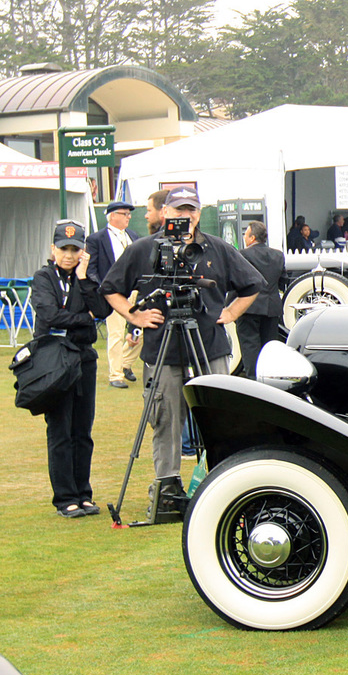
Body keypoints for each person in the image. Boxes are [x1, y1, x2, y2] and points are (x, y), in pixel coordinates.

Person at [101, 187, 266, 517]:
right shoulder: (143, 249)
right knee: (165, 419)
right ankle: (168, 489)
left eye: (190, 210)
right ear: (165, 213)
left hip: (210, 347)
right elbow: (110, 288)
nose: (184, 217)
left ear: (198, 212)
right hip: (163, 347)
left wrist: (230, 313)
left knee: (222, 416)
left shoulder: (217, 248)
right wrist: (134, 315)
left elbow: (253, 283)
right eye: (178, 211)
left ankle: (226, 484)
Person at [31, 219, 112, 518]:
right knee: (60, 430)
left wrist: (83, 279)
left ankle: (83, 493)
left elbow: (103, 311)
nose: (68, 255)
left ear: (83, 251)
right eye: (63, 249)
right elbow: (50, 315)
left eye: (75, 249)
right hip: (54, 362)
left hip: (83, 360)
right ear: (53, 249)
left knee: (82, 430)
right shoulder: (43, 278)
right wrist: (82, 319)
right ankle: (65, 497)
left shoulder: (85, 278)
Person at [85, 200, 141, 388]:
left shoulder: (133, 236)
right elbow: (91, 268)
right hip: (114, 292)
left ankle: (125, 363)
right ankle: (116, 375)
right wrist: (103, 288)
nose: (129, 217)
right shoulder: (97, 239)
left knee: (141, 330)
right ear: (112, 215)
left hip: (135, 291)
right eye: (125, 213)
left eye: (129, 213)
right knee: (116, 333)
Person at [237, 221, 286, 378]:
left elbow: (238, 281)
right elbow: (283, 281)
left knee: (250, 346)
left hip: (248, 306)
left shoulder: (243, 254)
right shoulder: (278, 255)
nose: (244, 237)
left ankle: (253, 382)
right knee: (269, 348)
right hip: (272, 308)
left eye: (246, 234)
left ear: (252, 238)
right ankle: (269, 380)